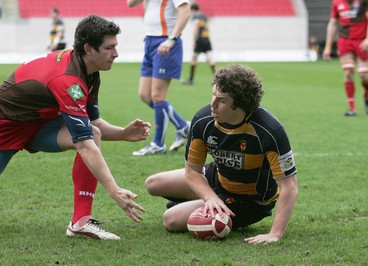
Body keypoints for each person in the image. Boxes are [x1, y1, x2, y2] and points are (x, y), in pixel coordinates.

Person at [0, 15, 150, 241]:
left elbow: (92, 125)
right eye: (109, 47)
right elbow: (84, 145)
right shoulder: (69, 80)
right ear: (89, 49)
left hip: (39, 122)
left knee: (92, 134)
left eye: (116, 46)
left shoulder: (90, 72)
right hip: (4, 123)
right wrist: (114, 190)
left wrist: (123, 134)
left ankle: (80, 222)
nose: (116, 54)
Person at [145, 64, 298, 244]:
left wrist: (275, 233)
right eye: (214, 95)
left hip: (250, 201)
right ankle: (205, 202)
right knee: (153, 184)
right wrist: (210, 197)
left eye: (222, 100)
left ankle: (199, 207)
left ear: (239, 105)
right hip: (219, 177)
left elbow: (289, 187)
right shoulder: (204, 120)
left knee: (171, 220)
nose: (213, 104)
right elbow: (192, 172)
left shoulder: (269, 130)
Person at [127, 0, 191, 155]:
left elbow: (185, 11)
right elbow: (130, 3)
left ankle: (158, 144)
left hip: (165, 41)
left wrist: (172, 39)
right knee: (145, 95)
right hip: (150, 41)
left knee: (157, 96)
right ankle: (183, 127)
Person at [323, 0, 368, 116]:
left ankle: (366, 94)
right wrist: (328, 47)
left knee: (364, 75)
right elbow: (332, 23)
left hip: (361, 40)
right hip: (344, 41)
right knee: (348, 72)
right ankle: (352, 108)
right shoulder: (337, 2)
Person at [182, 3, 216, 85]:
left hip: (200, 40)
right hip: (206, 39)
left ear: (193, 10)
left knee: (194, 58)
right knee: (209, 59)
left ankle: (191, 79)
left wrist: (194, 41)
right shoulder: (204, 16)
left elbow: (196, 28)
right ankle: (219, 78)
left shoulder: (196, 16)